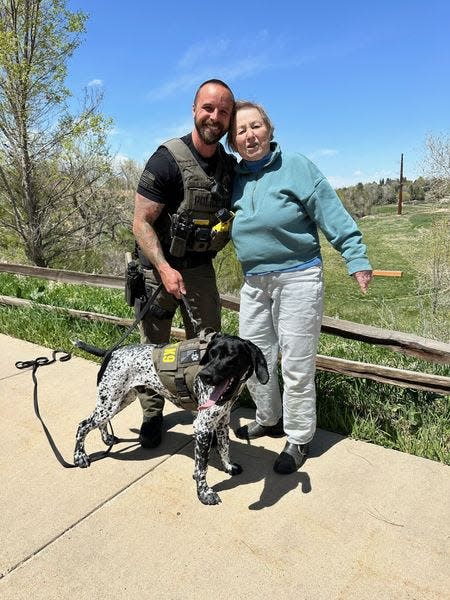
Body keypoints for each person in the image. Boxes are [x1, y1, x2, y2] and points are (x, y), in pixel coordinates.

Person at [227, 100, 373, 474]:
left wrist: (355, 257)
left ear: (269, 129)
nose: (250, 135)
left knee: (295, 362)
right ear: (233, 141)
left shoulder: (296, 166)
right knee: (254, 357)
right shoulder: (233, 179)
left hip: (299, 276)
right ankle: (270, 417)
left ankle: (298, 436)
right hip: (254, 281)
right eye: (241, 130)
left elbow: (331, 212)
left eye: (256, 126)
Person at [132, 79, 236, 448]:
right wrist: (163, 267)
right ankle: (151, 414)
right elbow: (141, 221)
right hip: (156, 269)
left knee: (206, 346)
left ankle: (205, 412)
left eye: (223, 111)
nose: (215, 116)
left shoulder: (227, 166)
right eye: (208, 108)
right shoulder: (166, 160)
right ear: (194, 109)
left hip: (199, 269)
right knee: (152, 349)